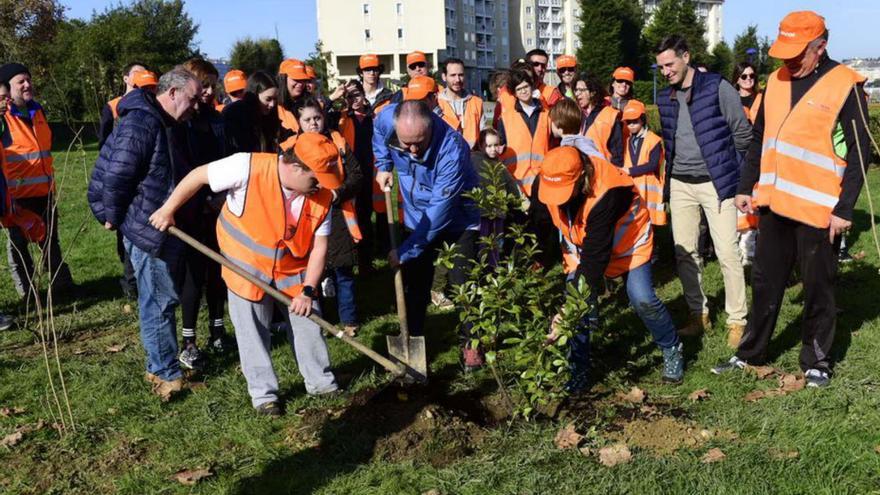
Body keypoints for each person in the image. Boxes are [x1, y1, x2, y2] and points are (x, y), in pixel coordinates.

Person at [713, 11, 870, 388]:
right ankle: (751, 352)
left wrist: (844, 209)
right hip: (774, 203)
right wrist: (745, 186)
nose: (789, 62)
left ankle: (816, 360)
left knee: (818, 287)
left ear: (821, 46)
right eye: (784, 53)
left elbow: (860, 153)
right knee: (765, 281)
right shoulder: (776, 81)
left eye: (798, 54)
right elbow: (759, 138)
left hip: (819, 210)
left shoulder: (845, 85)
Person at [149, 133, 343, 416]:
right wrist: (168, 210)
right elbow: (198, 175)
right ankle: (265, 396)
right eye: (316, 178)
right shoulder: (246, 167)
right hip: (246, 268)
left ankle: (322, 384)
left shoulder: (321, 196)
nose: (320, 185)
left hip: (295, 272)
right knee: (252, 330)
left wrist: (308, 290)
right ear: (295, 167)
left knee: (309, 324)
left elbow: (319, 248)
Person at [542, 99, 683, 392]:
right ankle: (578, 371)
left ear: (581, 178)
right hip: (583, 247)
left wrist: (567, 308)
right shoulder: (550, 181)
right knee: (578, 306)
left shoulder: (607, 193)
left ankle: (672, 347)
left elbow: (596, 258)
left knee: (641, 297)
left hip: (629, 242)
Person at [87, 67, 202, 401]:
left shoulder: (162, 121)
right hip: (145, 226)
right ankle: (165, 373)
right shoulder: (143, 122)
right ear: (172, 93)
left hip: (156, 221)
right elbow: (118, 174)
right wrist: (111, 217)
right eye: (192, 99)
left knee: (160, 297)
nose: (196, 105)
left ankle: (161, 364)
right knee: (158, 300)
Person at [655, 35, 752, 347]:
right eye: (660, 67)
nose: (665, 72)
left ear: (686, 57)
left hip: (717, 183)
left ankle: (737, 320)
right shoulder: (665, 96)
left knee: (727, 252)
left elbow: (742, 134)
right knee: (685, 253)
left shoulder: (718, 87)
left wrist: (733, 175)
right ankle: (698, 314)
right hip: (680, 184)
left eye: (669, 64)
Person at [373, 99, 480, 359]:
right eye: (405, 142)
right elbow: (377, 133)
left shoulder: (452, 150)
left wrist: (406, 251)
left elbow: (438, 212)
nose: (411, 150)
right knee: (415, 285)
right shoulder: (388, 120)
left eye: (418, 143)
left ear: (431, 126)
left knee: (463, 285)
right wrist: (384, 163)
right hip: (415, 215)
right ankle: (412, 340)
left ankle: (472, 346)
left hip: (457, 219)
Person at [289, 98, 364, 337]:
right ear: (299, 123)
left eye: (317, 118)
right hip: (308, 215)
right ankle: (322, 321)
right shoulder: (293, 148)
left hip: (339, 213)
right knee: (315, 271)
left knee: (343, 270)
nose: (313, 123)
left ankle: (349, 319)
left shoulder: (338, 142)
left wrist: (337, 193)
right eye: (307, 120)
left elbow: (356, 175)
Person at [176, 58, 233, 370]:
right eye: (204, 85)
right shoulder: (181, 123)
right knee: (193, 275)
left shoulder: (217, 121)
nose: (210, 91)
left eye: (213, 85)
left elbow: (227, 161)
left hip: (217, 206)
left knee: (218, 271)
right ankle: (188, 341)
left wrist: (220, 196)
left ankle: (218, 329)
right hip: (191, 209)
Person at [0, 63, 75, 300]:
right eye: (20, 81)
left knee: (51, 240)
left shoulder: (38, 111)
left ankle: (63, 287)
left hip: (44, 191)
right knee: (18, 247)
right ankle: (29, 296)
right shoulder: (2, 117)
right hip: (17, 195)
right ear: (7, 88)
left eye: (28, 80)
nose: (27, 85)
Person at [495, 68, 558, 268]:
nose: (524, 91)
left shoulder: (546, 112)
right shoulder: (505, 118)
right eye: (519, 89)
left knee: (542, 224)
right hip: (517, 181)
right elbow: (500, 147)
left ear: (532, 87)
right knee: (517, 224)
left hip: (541, 180)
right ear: (513, 92)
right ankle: (515, 264)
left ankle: (540, 262)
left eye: (526, 87)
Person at [337, 80, 380, 274]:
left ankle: (365, 262)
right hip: (349, 175)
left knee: (365, 218)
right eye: (349, 96)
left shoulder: (374, 118)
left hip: (370, 174)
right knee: (349, 219)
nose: (354, 100)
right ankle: (349, 260)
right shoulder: (342, 119)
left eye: (357, 95)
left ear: (364, 95)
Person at [732, 61, 762, 265]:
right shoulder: (730, 100)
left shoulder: (762, 98)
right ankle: (738, 246)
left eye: (751, 76)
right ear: (737, 79)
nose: (748, 79)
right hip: (736, 155)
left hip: (758, 154)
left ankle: (750, 246)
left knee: (755, 198)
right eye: (744, 76)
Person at [621, 100, 666, 228]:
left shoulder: (653, 140)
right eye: (628, 122)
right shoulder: (627, 141)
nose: (631, 125)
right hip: (634, 189)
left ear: (643, 120)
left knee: (650, 226)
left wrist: (630, 171)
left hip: (649, 190)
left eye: (635, 121)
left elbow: (652, 165)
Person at [222, 71, 279, 153]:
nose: (272, 104)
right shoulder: (234, 116)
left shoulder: (270, 116)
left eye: (275, 99)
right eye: (268, 99)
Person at [574, 74, 624, 166]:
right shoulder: (576, 114)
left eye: (581, 90)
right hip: (582, 173)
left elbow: (617, 156)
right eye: (576, 90)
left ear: (592, 92)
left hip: (603, 173)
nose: (577, 93)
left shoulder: (610, 115)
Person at [438, 57, 484, 149]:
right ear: (444, 77)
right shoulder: (436, 103)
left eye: (461, 75)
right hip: (446, 159)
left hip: (472, 158)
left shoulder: (476, 102)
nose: (458, 80)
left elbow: (483, 133)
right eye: (453, 75)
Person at [99, 62, 147, 149]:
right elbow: (104, 139)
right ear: (125, 78)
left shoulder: (152, 104)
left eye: (144, 73)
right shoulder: (112, 105)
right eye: (137, 73)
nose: (141, 76)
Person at [277, 59, 311, 142]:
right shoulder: (272, 106)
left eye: (303, 80)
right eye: (296, 79)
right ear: (283, 79)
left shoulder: (311, 103)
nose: (300, 84)